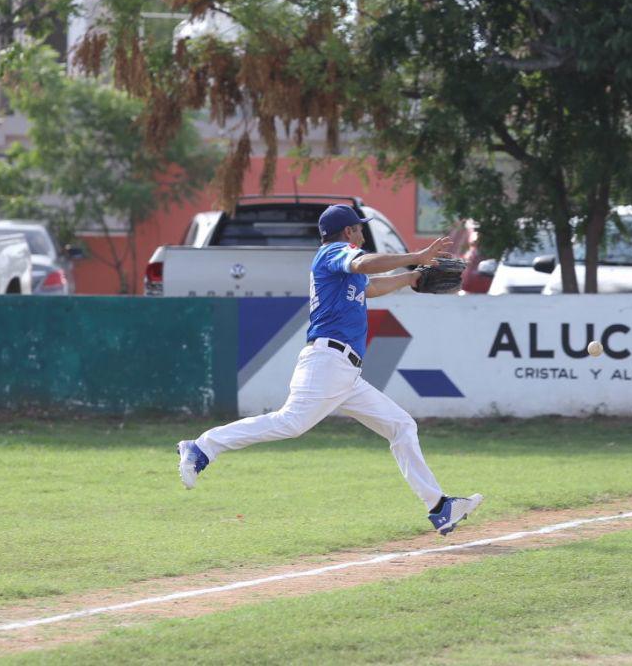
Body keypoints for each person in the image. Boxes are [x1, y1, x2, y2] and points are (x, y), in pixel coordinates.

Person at [177, 204, 483, 536]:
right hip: (327, 363)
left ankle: (439, 507)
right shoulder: (334, 253)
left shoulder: (345, 266)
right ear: (348, 232)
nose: (362, 233)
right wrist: (415, 256)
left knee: (401, 427)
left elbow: (370, 287)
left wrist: (411, 277)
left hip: (344, 374)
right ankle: (203, 446)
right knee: (290, 423)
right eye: (359, 228)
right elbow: (362, 262)